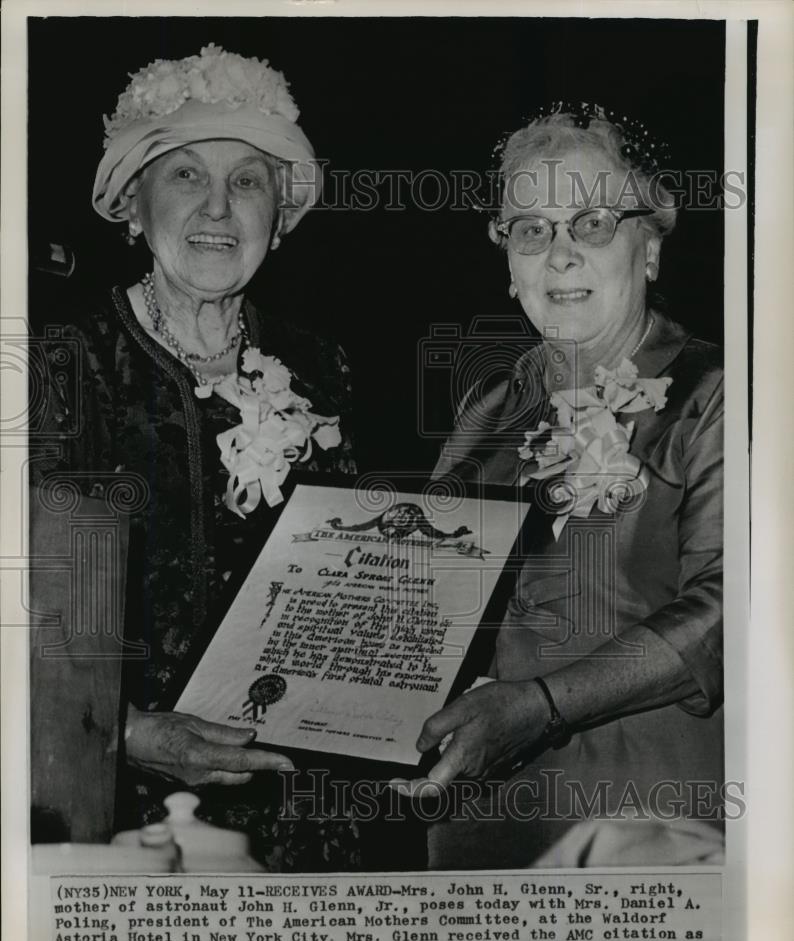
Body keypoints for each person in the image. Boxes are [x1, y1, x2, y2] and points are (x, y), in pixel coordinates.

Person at [33, 45, 359, 867]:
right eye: (185, 176)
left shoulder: (322, 363)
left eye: (247, 182)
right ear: (133, 207)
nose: (218, 208)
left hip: (304, 799)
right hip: (113, 801)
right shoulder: (60, 360)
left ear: (279, 219)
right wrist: (133, 730)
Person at [396, 105, 725, 868]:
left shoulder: (718, 393)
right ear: (507, 261)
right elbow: (426, 603)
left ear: (648, 245)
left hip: (650, 830)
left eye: (594, 222)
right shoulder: (488, 409)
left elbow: (728, 615)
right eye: (531, 229)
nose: (561, 254)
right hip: (480, 825)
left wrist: (540, 709)